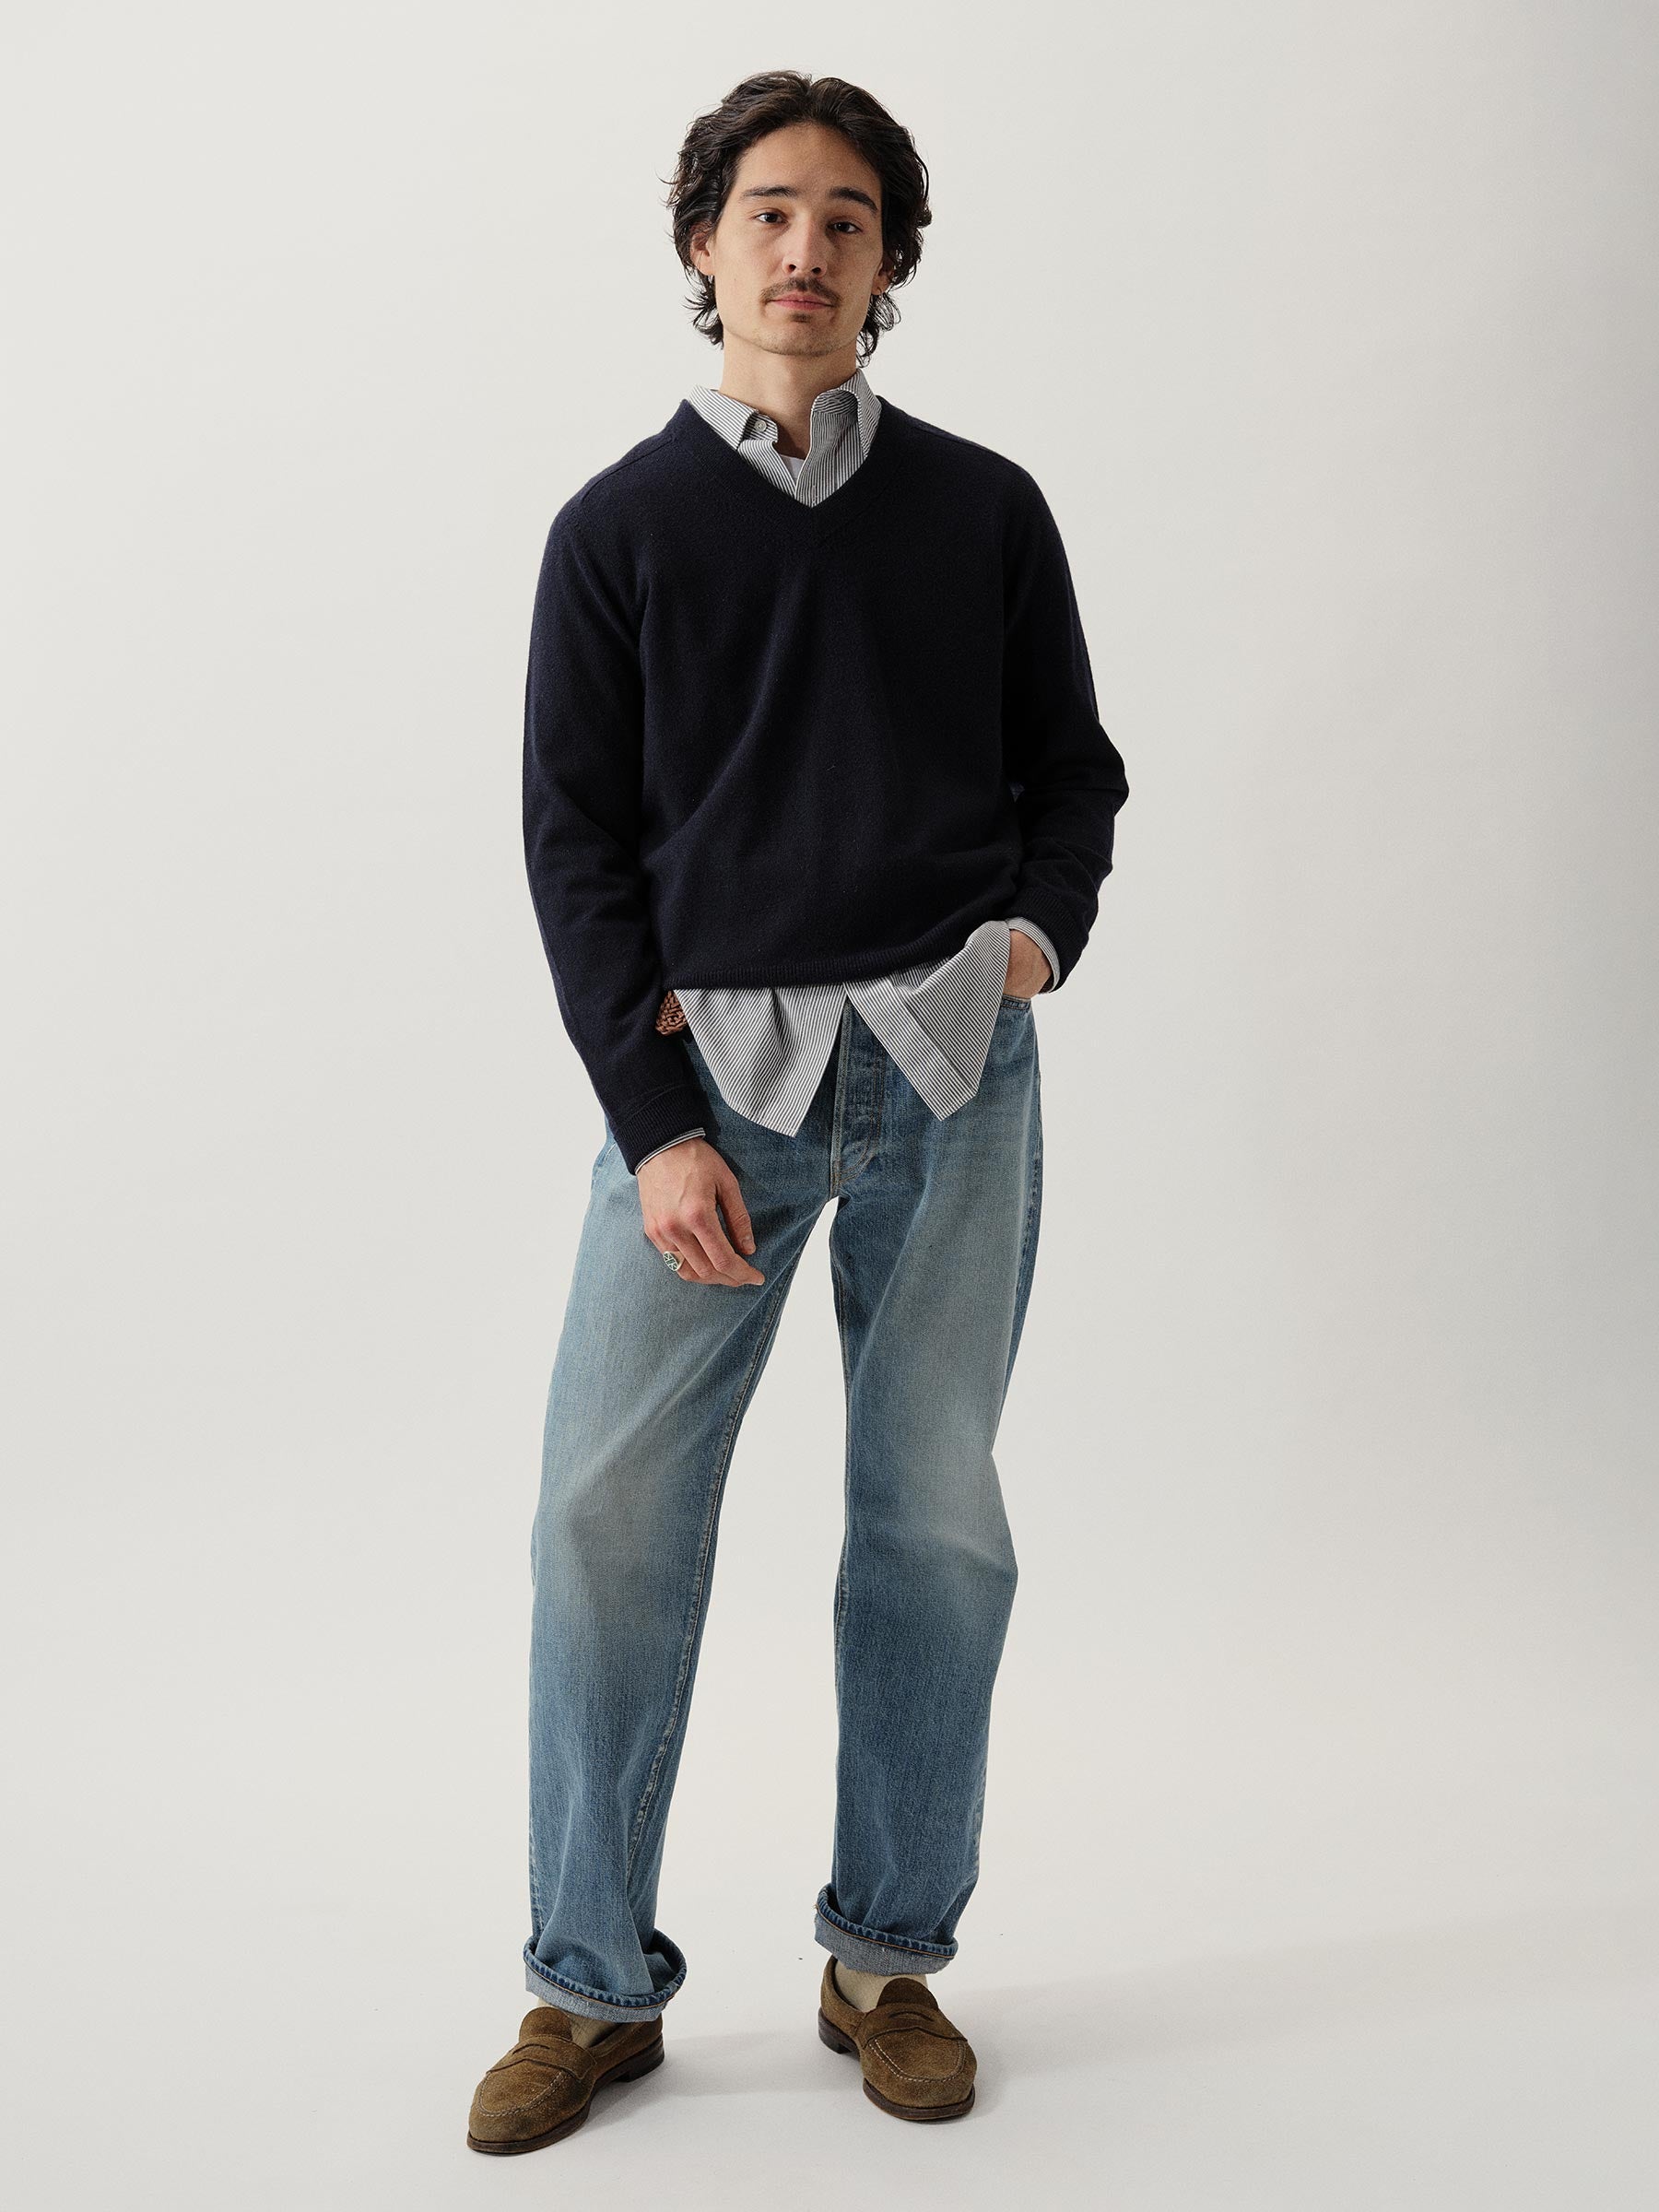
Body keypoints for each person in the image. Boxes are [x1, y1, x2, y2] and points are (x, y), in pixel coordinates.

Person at [467, 67, 1128, 2154]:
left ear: (889, 260)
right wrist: (653, 1124)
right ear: (704, 241)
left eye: (849, 219)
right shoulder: (618, 532)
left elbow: (1073, 774)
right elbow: (575, 847)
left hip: (949, 1074)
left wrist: (1029, 945)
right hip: (709, 1103)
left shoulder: (986, 510)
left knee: (933, 1520)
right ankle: (589, 1985)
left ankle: (886, 1960)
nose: (806, 249)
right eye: (770, 210)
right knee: (603, 1521)